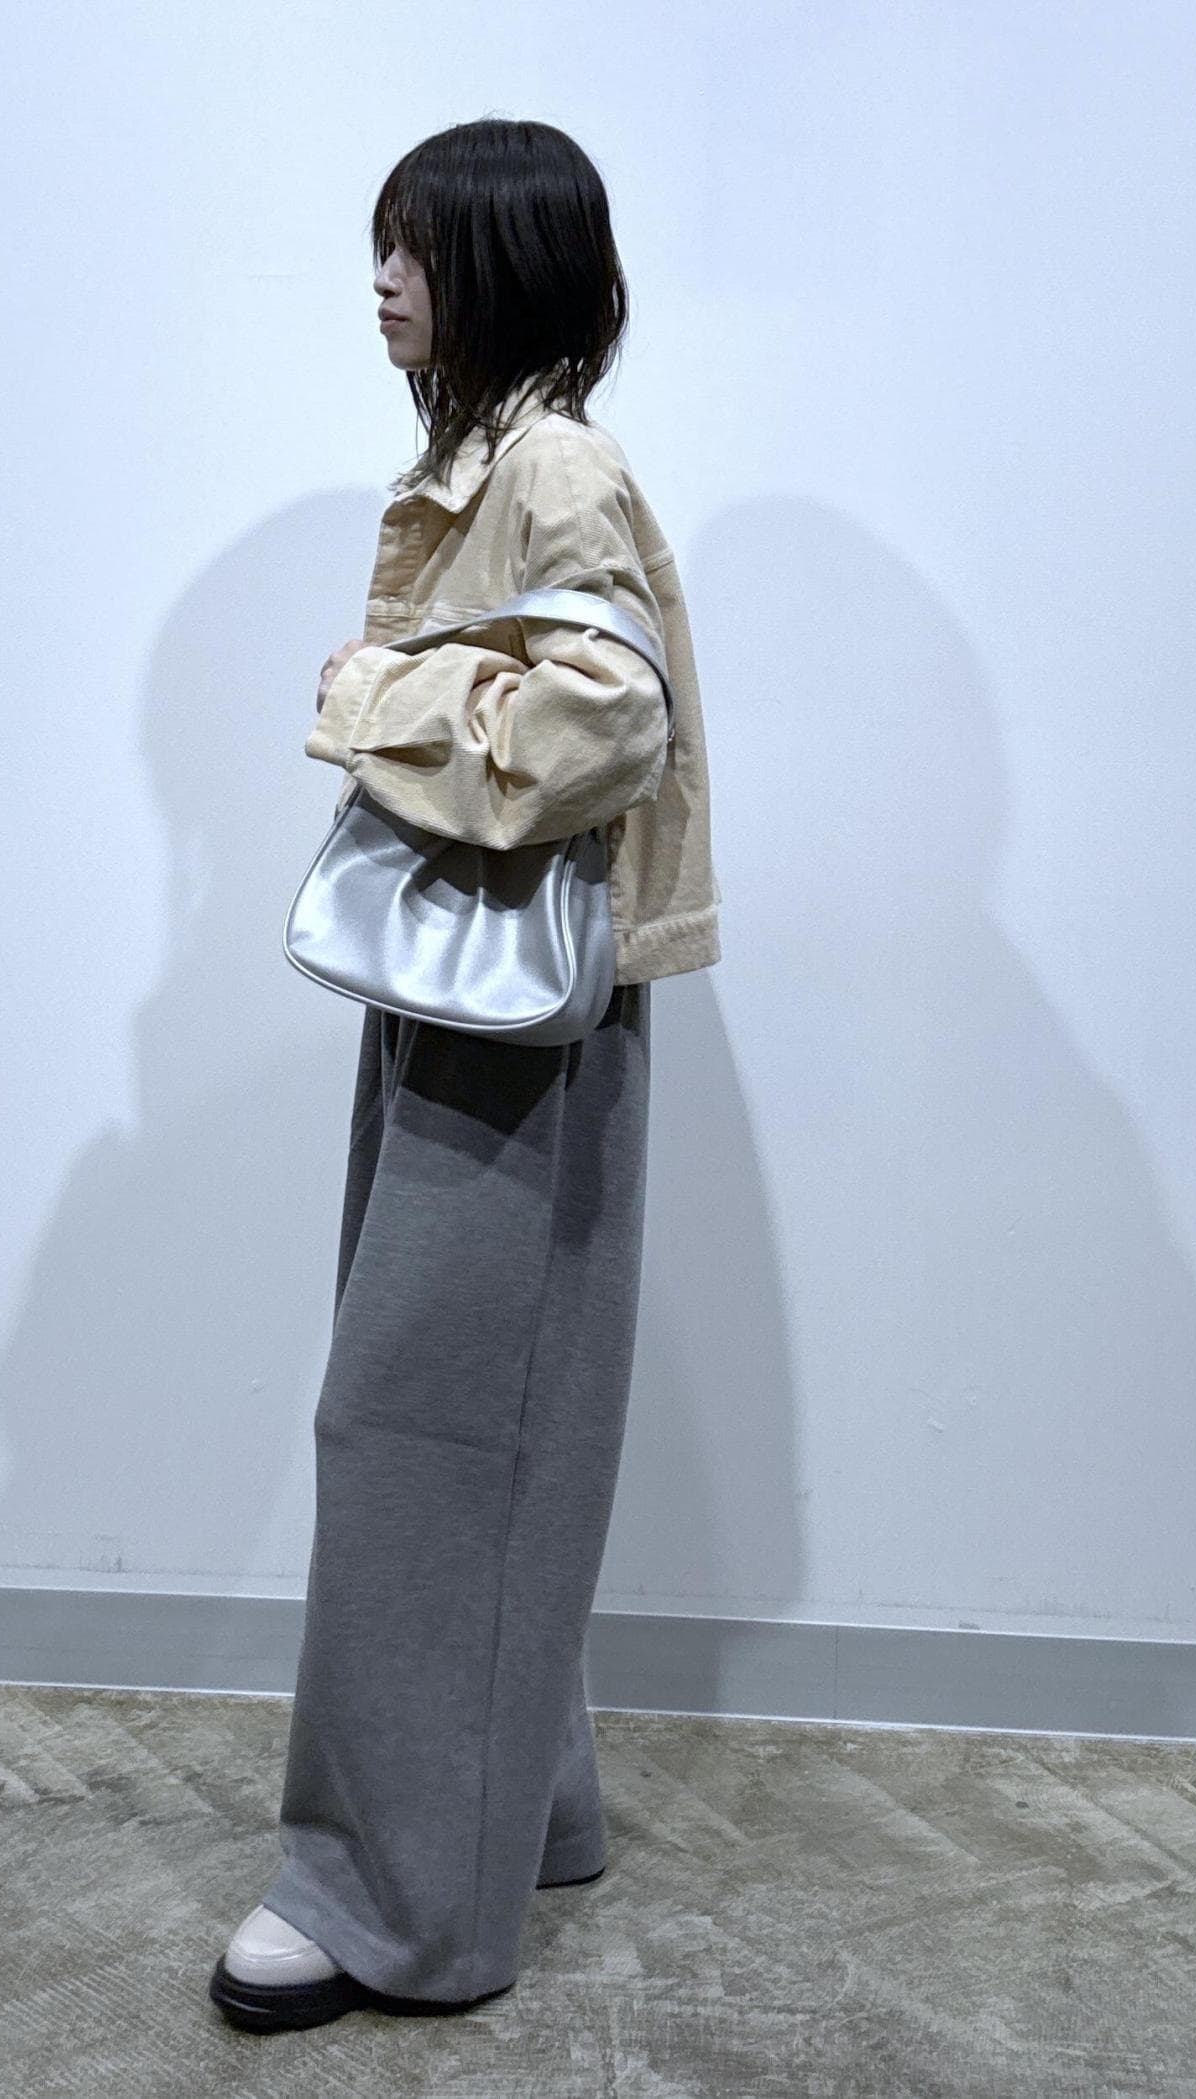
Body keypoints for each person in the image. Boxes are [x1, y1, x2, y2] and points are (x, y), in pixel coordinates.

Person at [209, 116, 721, 2035]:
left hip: (526, 1016)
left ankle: (394, 1904)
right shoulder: (488, 457)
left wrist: (369, 695)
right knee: (478, 1425)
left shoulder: (554, 465)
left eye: (417, 249)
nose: (384, 280)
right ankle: (523, 1812)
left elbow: (604, 723)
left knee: (420, 1435)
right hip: (468, 994)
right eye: (384, 244)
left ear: (506, 265)